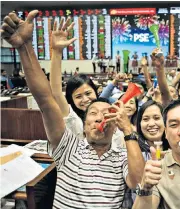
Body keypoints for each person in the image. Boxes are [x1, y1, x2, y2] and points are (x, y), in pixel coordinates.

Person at [1, 10, 145, 208]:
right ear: (83, 126)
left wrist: (128, 130)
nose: (99, 118)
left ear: (115, 126)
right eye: (93, 114)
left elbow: (137, 183)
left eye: (106, 114)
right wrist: (25, 47)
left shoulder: (122, 156)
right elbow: (45, 99)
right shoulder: (68, 147)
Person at [49, 18, 98, 138]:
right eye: (78, 96)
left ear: (96, 92)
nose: (85, 99)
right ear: (71, 100)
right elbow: (56, 92)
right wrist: (57, 52)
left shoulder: (106, 110)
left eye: (88, 93)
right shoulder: (72, 118)